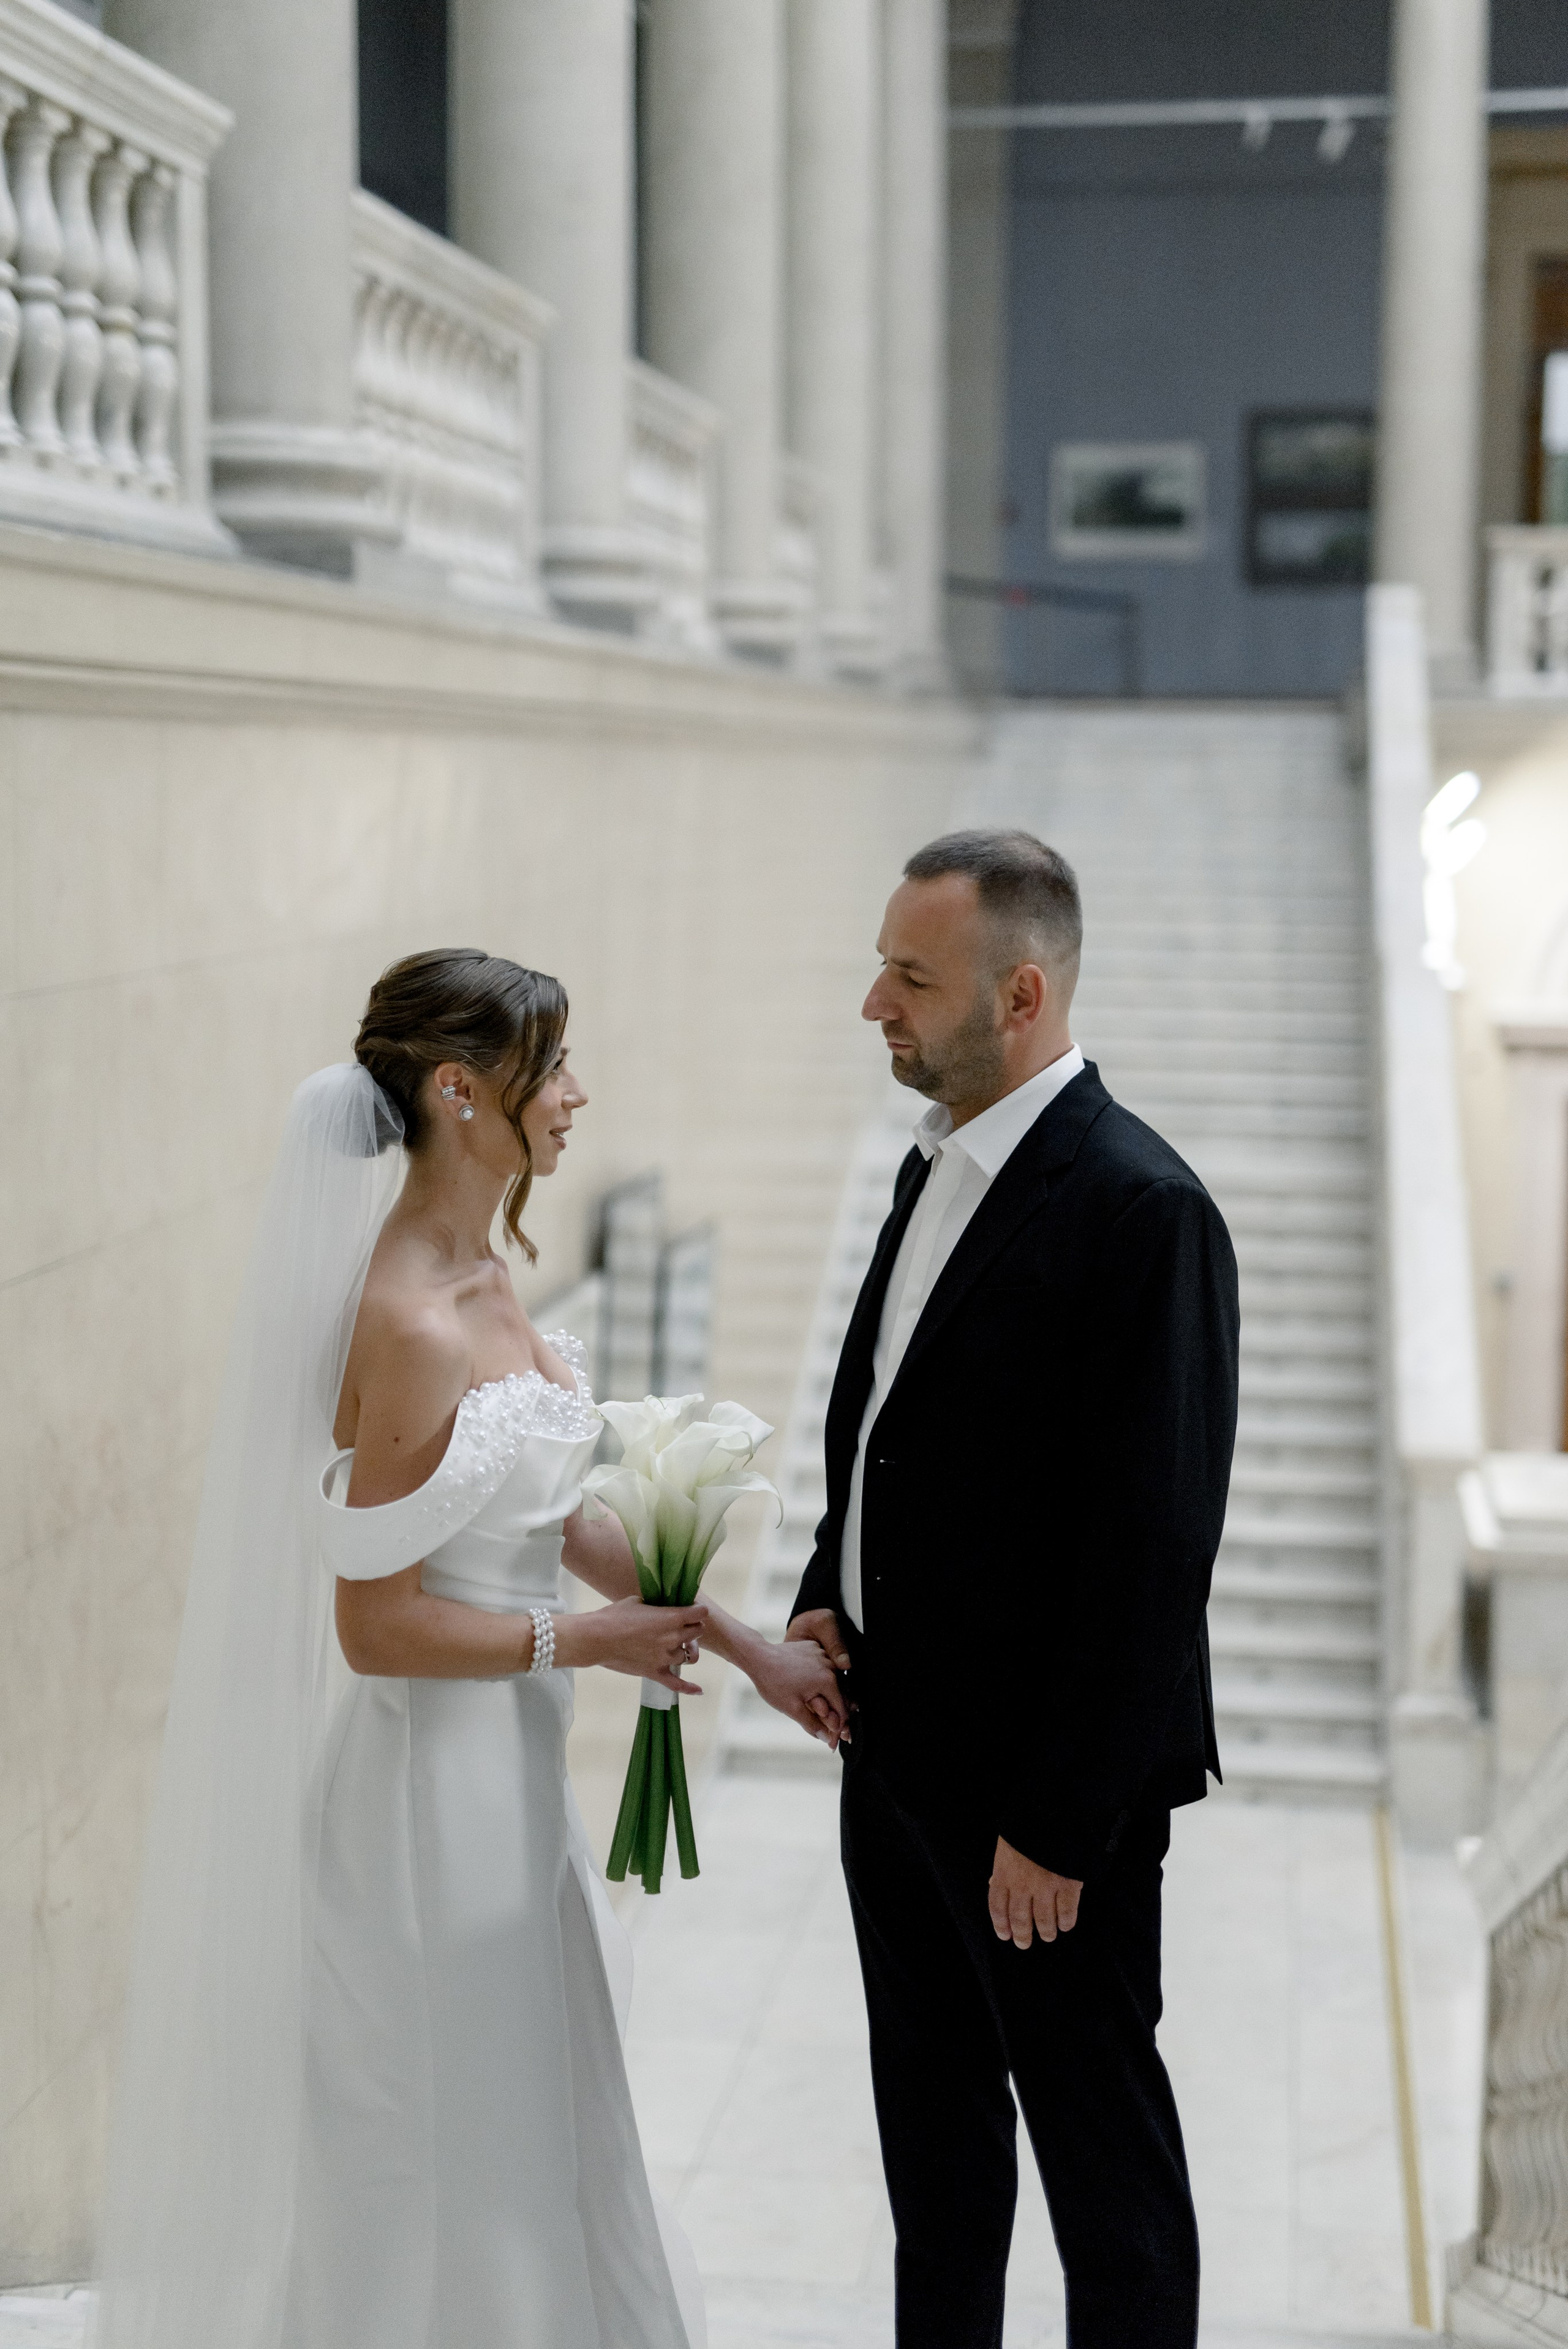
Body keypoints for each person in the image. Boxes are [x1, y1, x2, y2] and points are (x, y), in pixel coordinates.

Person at [96, 948, 846, 2349]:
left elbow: (558, 1521)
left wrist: (741, 1646)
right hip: (420, 1812)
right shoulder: (409, 1321)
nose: (573, 1094)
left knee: (548, 2117)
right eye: (548, 1067)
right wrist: (586, 1642)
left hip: (513, 1788)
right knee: (445, 2145)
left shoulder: (495, 1273)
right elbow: (374, 1626)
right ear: (458, 1091)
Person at [787, 832, 1239, 2349]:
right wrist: (817, 1587)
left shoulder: (1140, 1209)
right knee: (937, 2163)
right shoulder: (937, 1164)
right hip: (891, 1764)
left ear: (1022, 992)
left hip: (1040, 1819)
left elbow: (1152, 1551)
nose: (875, 1006)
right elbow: (881, 1418)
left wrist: (1053, 1823)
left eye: (909, 979)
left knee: (1102, 2180)